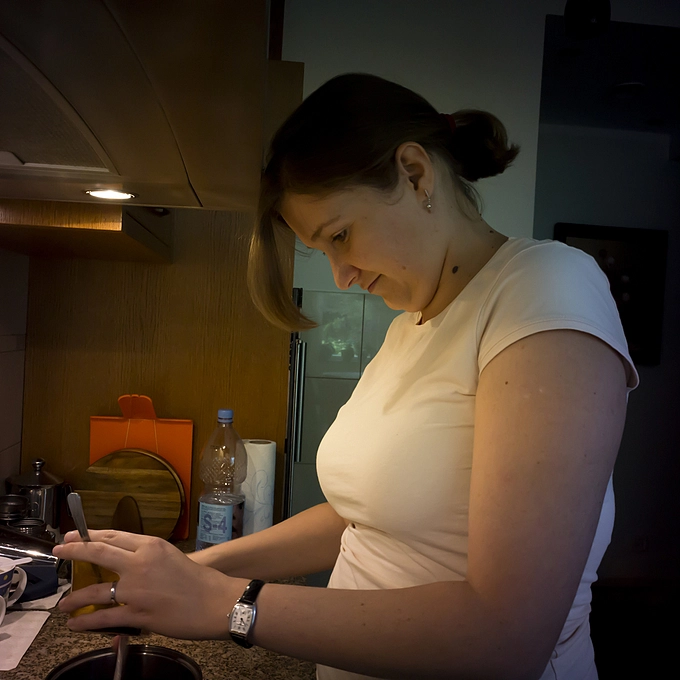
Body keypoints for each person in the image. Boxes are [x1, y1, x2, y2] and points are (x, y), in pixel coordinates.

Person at [53, 73, 639, 680]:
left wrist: (227, 605)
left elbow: (505, 637)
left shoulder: (545, 290)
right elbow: (363, 520)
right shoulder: (410, 328)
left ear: (415, 173)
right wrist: (195, 568)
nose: (341, 275)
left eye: (340, 235)